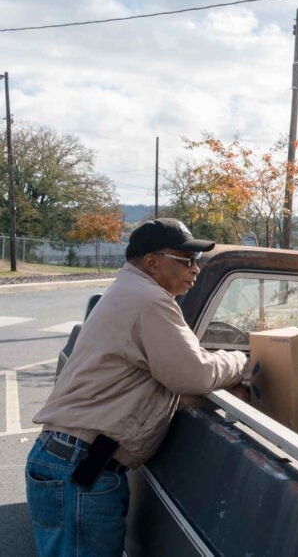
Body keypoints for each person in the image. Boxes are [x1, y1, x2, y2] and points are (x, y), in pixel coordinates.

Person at [25, 218, 248, 556]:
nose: (195, 270)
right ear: (152, 262)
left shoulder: (128, 291)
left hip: (70, 460)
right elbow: (194, 374)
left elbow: (170, 367)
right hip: (83, 466)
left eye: (196, 261)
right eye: (186, 261)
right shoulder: (149, 300)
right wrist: (242, 361)